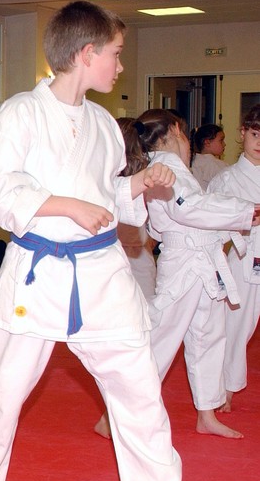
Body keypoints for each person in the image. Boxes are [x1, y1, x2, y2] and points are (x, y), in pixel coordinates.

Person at [0, 1, 230, 481]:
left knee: (138, 388)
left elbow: (104, 196)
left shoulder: (105, 124)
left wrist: (135, 187)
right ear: (86, 54)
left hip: (102, 272)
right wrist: (66, 205)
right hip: (38, 271)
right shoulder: (22, 113)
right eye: (115, 54)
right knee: (0, 387)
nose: (120, 66)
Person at [95, 109, 256, 440]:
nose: (186, 140)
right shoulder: (162, 169)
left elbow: (199, 205)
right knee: (161, 338)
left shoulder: (175, 169)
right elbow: (190, 209)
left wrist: (238, 214)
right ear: (172, 133)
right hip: (183, 263)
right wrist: (244, 212)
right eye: (182, 133)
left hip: (202, 263)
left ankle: (206, 412)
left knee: (209, 335)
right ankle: (112, 414)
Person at [208, 104, 260, 414]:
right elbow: (214, 228)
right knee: (237, 328)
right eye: (255, 134)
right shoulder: (227, 180)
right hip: (245, 261)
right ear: (242, 134)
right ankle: (223, 390)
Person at [114, 117, 157, 301]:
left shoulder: (105, 172)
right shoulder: (148, 173)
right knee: (145, 308)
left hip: (119, 249)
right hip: (137, 250)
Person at [190, 123, 228, 190]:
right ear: (207, 143)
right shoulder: (220, 166)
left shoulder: (192, 164)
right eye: (221, 140)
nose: (224, 144)